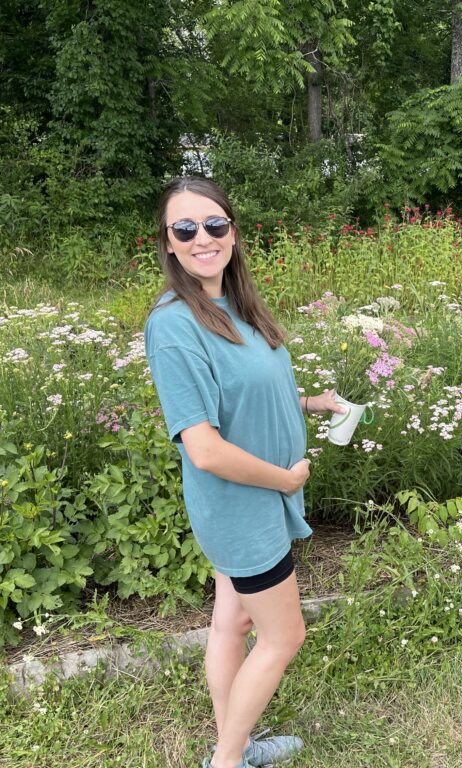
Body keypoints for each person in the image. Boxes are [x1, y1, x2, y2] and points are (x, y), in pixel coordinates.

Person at [143, 177, 345, 768]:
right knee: (284, 637)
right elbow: (202, 446)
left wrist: (312, 404)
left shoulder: (236, 305)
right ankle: (227, 760)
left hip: (253, 502)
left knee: (231, 623)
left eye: (214, 224)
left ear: (233, 231)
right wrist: (284, 481)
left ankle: (234, 743)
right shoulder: (175, 324)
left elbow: (245, 396)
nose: (202, 237)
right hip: (242, 506)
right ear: (169, 243)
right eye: (185, 228)